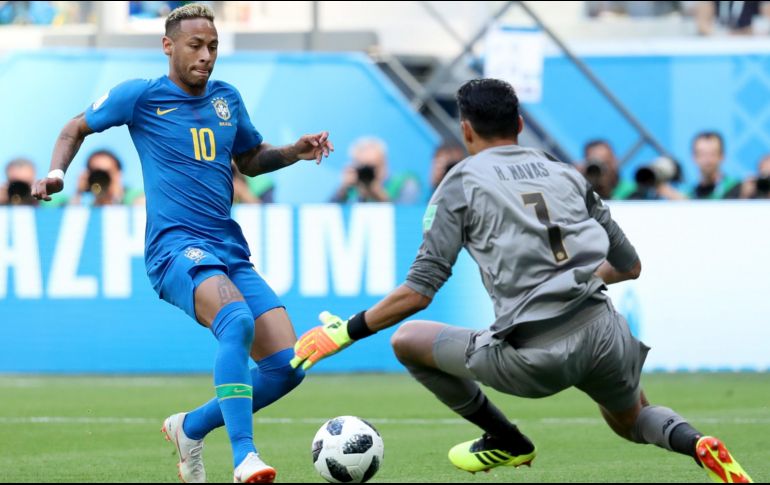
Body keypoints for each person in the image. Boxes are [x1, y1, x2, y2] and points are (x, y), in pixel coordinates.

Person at [291, 79, 752, 483]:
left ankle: (506, 439)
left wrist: (345, 332)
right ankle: (695, 442)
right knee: (634, 420)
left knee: (408, 341)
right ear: (520, 123)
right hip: (604, 331)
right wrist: (576, 279)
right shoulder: (566, 173)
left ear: (466, 129)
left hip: (534, 354)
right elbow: (629, 266)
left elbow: (419, 291)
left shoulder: (460, 183)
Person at [32, 4, 333, 483]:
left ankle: (189, 427)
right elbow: (75, 127)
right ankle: (245, 458)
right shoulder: (141, 96)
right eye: (196, 45)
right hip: (174, 247)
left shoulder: (226, 99)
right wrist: (55, 173)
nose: (206, 55)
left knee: (287, 365)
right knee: (235, 321)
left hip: (227, 247)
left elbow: (251, 159)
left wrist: (294, 152)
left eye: (213, 46)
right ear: (168, 46)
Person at [330, 136, 421, 204]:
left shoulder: (404, 184)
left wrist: (377, 192)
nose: (367, 173)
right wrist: (343, 190)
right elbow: (324, 217)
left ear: (384, 163)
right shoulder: (351, 191)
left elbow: (406, 219)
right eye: (363, 167)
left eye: (372, 167)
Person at [70, 150, 145, 206]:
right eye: (96, 173)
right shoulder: (90, 208)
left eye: (107, 172)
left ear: (118, 175)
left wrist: (116, 197)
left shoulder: (133, 197)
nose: (101, 178)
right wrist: (78, 193)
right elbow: (70, 220)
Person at [688, 131, 742, 199]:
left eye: (712, 154)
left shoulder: (737, 189)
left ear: (722, 156)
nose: (707, 160)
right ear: (694, 157)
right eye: (702, 154)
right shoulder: (688, 194)